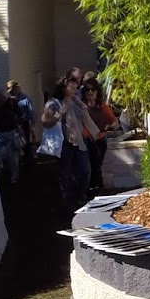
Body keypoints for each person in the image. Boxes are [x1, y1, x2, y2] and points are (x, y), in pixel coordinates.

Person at [43, 75, 100, 212]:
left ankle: (81, 197)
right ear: (64, 88)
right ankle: (68, 201)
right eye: (72, 87)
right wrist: (60, 113)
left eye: (76, 87)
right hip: (64, 143)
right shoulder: (54, 103)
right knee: (66, 172)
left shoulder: (76, 101)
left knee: (85, 170)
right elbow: (45, 121)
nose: (75, 90)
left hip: (79, 141)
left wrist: (94, 132)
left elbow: (84, 118)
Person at [81, 80, 118, 194]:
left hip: (100, 140)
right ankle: (92, 188)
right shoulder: (81, 107)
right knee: (89, 166)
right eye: (87, 90)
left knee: (97, 165)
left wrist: (110, 127)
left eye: (93, 89)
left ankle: (97, 189)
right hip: (86, 140)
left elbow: (114, 122)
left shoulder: (102, 107)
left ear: (97, 92)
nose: (90, 92)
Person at [0, 85, 22, 185]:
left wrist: (18, 126)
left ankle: (14, 176)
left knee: (11, 157)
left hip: (10, 132)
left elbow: (20, 115)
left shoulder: (11, 102)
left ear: (2, 94)